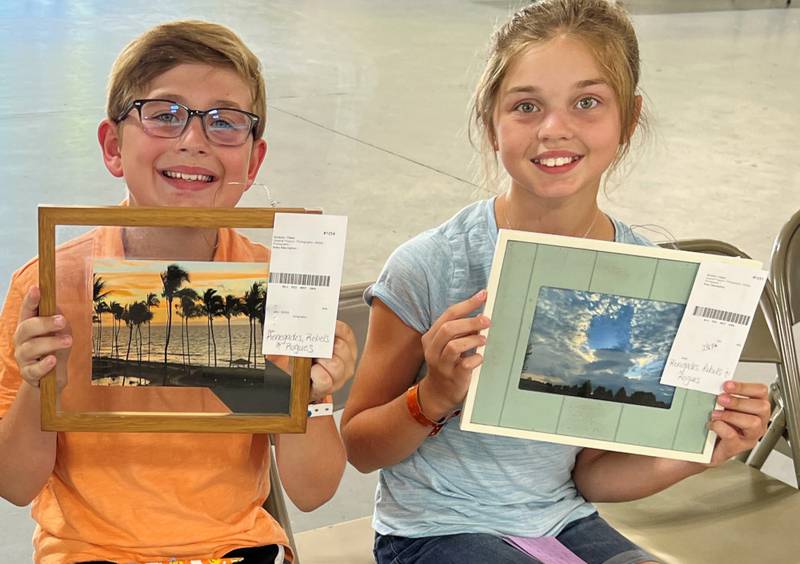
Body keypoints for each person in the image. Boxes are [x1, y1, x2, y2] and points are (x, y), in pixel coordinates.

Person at [340, 2, 770, 563]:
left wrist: (701, 449)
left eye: (587, 103)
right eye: (526, 106)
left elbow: (593, 476)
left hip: (563, 520)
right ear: (490, 120)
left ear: (630, 119)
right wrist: (435, 395)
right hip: (431, 528)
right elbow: (362, 447)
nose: (554, 129)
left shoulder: (639, 275)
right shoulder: (430, 265)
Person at [0, 20, 356, 564]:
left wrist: (310, 399)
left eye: (225, 122)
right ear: (113, 145)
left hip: (238, 548)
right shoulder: (51, 287)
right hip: (90, 552)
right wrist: (40, 385)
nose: (193, 140)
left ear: (252, 161)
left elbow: (312, 491)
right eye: (165, 115)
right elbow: (16, 483)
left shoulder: (277, 284)